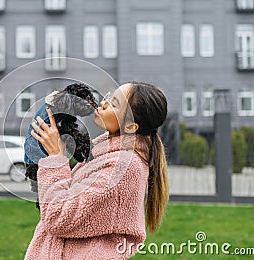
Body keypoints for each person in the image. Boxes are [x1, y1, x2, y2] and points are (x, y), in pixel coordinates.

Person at [25, 81, 169, 259]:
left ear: (131, 126)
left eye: (114, 104)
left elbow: (58, 218)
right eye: (109, 96)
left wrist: (55, 158)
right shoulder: (105, 152)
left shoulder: (123, 169)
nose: (103, 103)